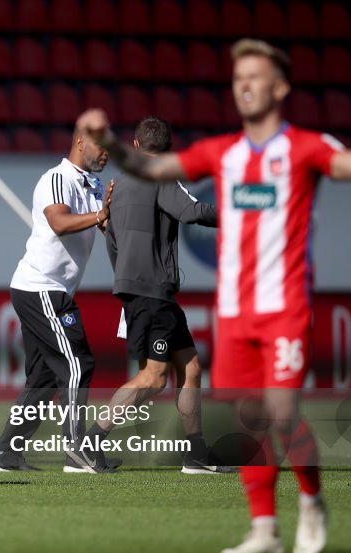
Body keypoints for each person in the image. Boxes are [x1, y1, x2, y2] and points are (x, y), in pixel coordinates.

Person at [77, 38, 351, 553]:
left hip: (273, 303)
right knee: (194, 391)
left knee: (211, 379)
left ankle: (266, 483)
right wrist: (107, 137)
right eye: (238, 75)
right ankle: (97, 441)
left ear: (281, 87)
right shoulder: (221, 152)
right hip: (208, 303)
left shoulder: (305, 146)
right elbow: (172, 187)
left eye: (255, 74)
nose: (244, 83)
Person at [84, 116, 235, 475]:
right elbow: (192, 211)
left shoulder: (117, 185)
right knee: (154, 378)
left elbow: (112, 236)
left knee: (192, 368)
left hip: (142, 289)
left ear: (136, 145)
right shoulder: (161, 176)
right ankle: (90, 443)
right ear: (168, 149)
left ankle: (197, 454)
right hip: (152, 290)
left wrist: (124, 277)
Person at [0, 122, 115, 473]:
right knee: (77, 364)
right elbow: (58, 221)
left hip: (50, 288)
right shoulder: (57, 178)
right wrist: (100, 215)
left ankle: (6, 454)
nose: (107, 152)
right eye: (101, 145)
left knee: (42, 378)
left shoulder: (93, 184)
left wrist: (110, 218)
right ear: (80, 141)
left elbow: (99, 225)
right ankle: (77, 452)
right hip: (41, 286)